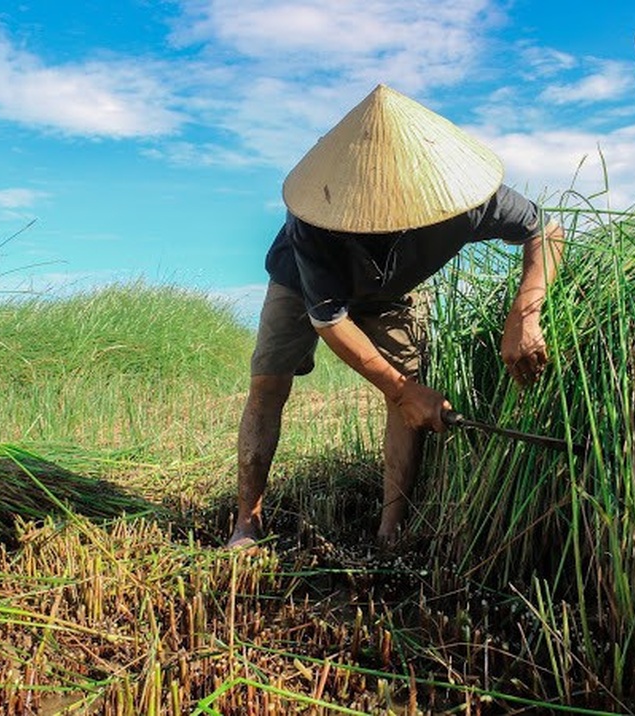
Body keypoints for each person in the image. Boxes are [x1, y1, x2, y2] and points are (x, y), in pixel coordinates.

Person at [227, 84, 564, 549]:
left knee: (405, 401)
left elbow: (545, 230)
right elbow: (330, 321)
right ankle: (248, 522)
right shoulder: (314, 218)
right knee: (268, 385)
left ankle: (391, 530)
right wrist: (404, 390)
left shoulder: (469, 200)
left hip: (397, 292)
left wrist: (525, 314)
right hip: (300, 284)